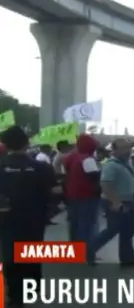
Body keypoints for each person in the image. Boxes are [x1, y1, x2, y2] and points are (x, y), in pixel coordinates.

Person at [0, 126, 56, 307]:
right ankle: (31, 285)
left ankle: (15, 292)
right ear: (27, 143)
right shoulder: (42, 167)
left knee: (9, 253)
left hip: (6, 219)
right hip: (34, 218)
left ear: (5, 145)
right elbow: (55, 192)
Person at [88, 139, 134, 266]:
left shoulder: (128, 162)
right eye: (123, 148)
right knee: (112, 229)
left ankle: (128, 258)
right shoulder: (111, 165)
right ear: (114, 150)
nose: (127, 151)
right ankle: (89, 250)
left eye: (128, 148)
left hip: (129, 201)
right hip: (116, 201)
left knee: (129, 230)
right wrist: (115, 202)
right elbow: (106, 185)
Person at [62, 134, 101, 243]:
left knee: (74, 225)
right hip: (87, 197)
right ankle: (86, 253)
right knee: (86, 226)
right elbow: (95, 178)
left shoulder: (69, 157)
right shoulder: (88, 159)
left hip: (72, 196)